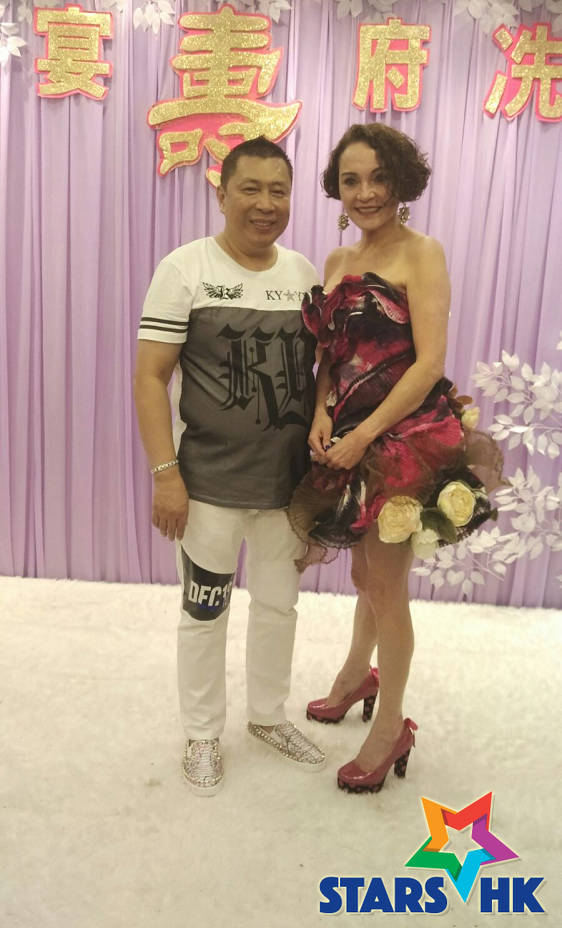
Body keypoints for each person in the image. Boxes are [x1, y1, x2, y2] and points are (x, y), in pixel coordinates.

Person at [287, 123, 502, 794]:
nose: (366, 192)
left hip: (404, 438)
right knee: (364, 574)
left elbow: (429, 362)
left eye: (379, 178)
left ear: (402, 181)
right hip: (346, 433)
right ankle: (359, 675)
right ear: (337, 189)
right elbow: (330, 357)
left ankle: (392, 727)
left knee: (385, 584)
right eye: (351, 180)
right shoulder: (336, 260)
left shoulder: (423, 252)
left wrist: (364, 436)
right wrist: (323, 413)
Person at [134, 137, 326, 796]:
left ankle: (268, 718)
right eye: (250, 189)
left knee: (279, 607)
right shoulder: (183, 269)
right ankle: (201, 733)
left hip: (285, 491)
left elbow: (319, 377)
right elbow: (150, 378)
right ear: (222, 195)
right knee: (204, 611)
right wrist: (166, 474)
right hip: (207, 487)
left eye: (278, 191)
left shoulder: (303, 275)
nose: (265, 204)